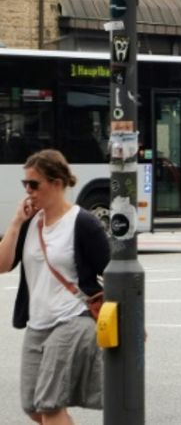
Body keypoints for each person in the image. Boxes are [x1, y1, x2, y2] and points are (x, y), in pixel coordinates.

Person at [1, 149, 109, 422]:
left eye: (34, 184)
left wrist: (133, 319)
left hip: (72, 318)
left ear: (57, 183)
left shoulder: (83, 223)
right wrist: (15, 221)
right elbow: (2, 265)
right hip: (38, 323)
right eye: (25, 184)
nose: (29, 191)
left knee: (49, 404)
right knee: (33, 406)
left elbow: (113, 274)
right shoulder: (29, 222)